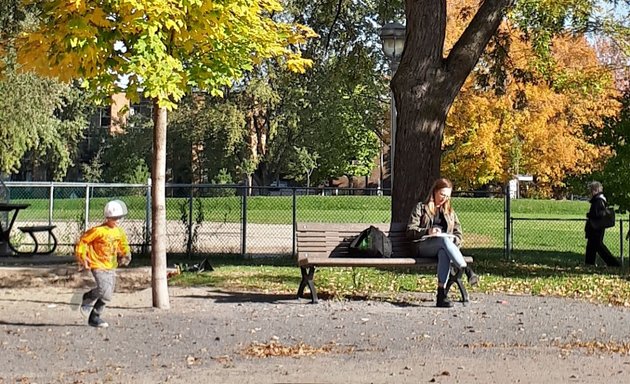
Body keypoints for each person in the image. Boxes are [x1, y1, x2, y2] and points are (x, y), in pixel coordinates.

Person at [407, 178, 478, 308]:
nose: (444, 198)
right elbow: (410, 231)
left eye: (447, 196)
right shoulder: (421, 207)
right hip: (422, 246)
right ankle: (466, 269)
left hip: (443, 247)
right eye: (442, 194)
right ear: (435, 192)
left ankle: (441, 295)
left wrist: (454, 240)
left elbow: (458, 233)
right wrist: (428, 231)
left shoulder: (449, 211)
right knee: (443, 242)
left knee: (443, 251)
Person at [75, 200, 132, 328]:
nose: (117, 220)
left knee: (107, 293)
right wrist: (82, 256)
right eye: (114, 218)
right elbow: (83, 241)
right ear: (108, 218)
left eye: (119, 218)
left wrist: (126, 254)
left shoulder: (119, 232)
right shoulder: (99, 231)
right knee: (104, 291)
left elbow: (123, 244)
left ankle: (88, 297)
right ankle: (94, 317)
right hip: (98, 265)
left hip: (111, 266)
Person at [584, 181, 621, 267]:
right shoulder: (599, 200)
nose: (590, 193)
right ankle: (589, 263)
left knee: (598, 246)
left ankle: (613, 264)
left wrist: (589, 215)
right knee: (591, 246)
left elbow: (598, 213)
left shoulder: (598, 200)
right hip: (596, 226)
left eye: (591, 191)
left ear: (595, 190)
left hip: (596, 227)